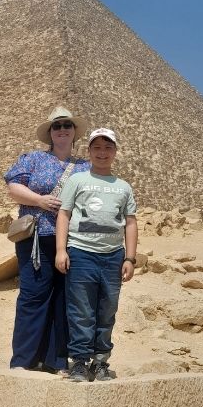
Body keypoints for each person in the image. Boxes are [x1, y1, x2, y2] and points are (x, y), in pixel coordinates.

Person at [4, 106, 91, 373]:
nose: (62, 130)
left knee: (65, 300)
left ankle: (56, 360)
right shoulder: (32, 159)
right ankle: (24, 359)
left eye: (67, 125)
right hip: (37, 239)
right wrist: (39, 200)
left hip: (73, 241)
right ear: (50, 133)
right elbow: (13, 187)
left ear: (75, 132)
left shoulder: (86, 166)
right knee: (33, 296)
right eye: (57, 126)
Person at [55, 128, 138, 382]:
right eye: (97, 148)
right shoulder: (77, 180)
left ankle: (101, 361)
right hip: (81, 254)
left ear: (115, 152)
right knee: (81, 310)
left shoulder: (123, 187)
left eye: (108, 147)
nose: (102, 153)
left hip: (113, 256)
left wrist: (130, 258)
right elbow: (64, 214)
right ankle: (79, 361)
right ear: (88, 151)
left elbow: (131, 222)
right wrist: (61, 250)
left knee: (107, 310)